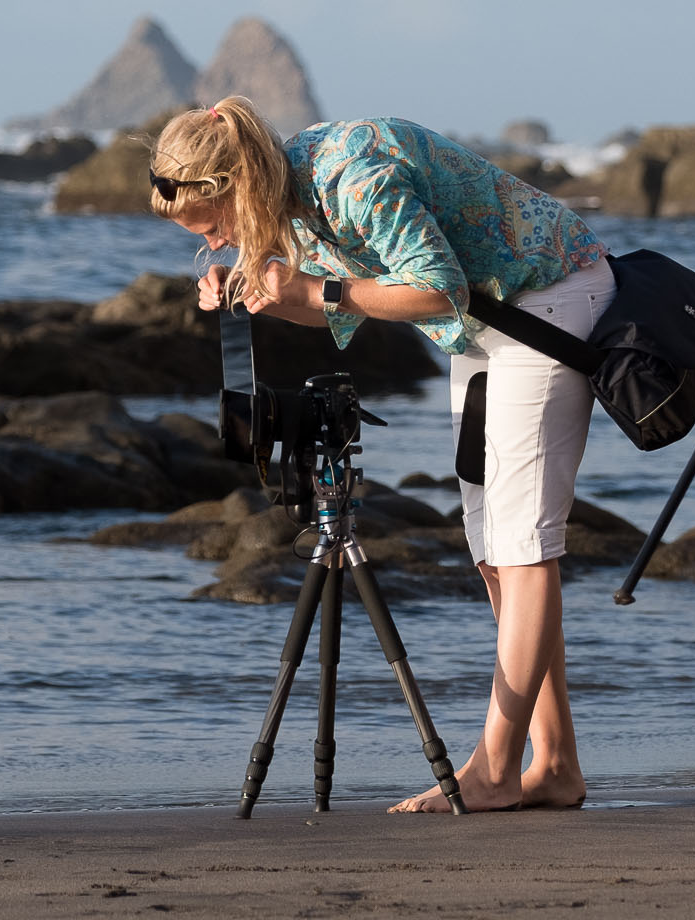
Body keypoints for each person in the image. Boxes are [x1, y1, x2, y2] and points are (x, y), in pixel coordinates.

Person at [147, 97, 613, 813]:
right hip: (490, 323)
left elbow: (437, 289)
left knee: (525, 548)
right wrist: (263, 293)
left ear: (238, 182)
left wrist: (312, 285)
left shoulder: (352, 181)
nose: (216, 245)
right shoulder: (289, 194)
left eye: (214, 229)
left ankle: (494, 768)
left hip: (547, 299)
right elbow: (342, 303)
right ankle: (553, 765)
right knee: (495, 552)